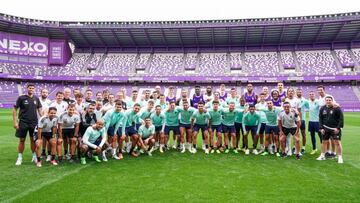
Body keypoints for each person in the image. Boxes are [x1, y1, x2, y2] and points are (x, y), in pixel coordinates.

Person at [13, 84, 42, 166]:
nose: (31, 89)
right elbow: (15, 109)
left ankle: (34, 156)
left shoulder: (36, 98)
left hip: (34, 122)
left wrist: (43, 118)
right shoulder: (21, 98)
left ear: (34, 89)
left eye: (33, 88)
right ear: (27, 89)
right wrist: (15, 122)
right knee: (22, 140)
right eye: (30, 88)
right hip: (23, 122)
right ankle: (20, 157)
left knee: (33, 140)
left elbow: (39, 110)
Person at [317, 96, 344, 164]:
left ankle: (340, 157)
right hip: (325, 128)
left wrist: (338, 128)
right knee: (324, 142)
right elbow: (320, 119)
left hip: (334, 129)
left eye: (329, 100)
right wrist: (321, 128)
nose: (328, 101)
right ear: (325, 101)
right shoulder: (322, 108)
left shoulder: (336, 108)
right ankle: (322, 155)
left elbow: (341, 119)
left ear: (332, 100)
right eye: (327, 100)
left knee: (337, 142)